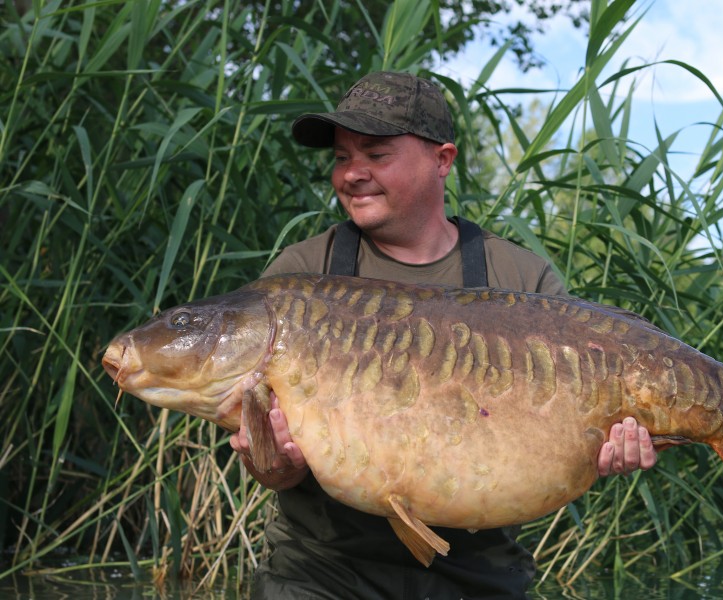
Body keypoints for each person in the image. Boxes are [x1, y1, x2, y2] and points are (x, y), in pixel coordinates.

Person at [230, 71, 657, 599]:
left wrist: (609, 444)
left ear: (442, 160)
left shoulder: (522, 280)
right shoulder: (301, 276)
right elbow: (275, 467)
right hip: (323, 573)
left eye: (376, 154)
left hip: (478, 577)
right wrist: (272, 464)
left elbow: (569, 431)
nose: (352, 174)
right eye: (342, 157)